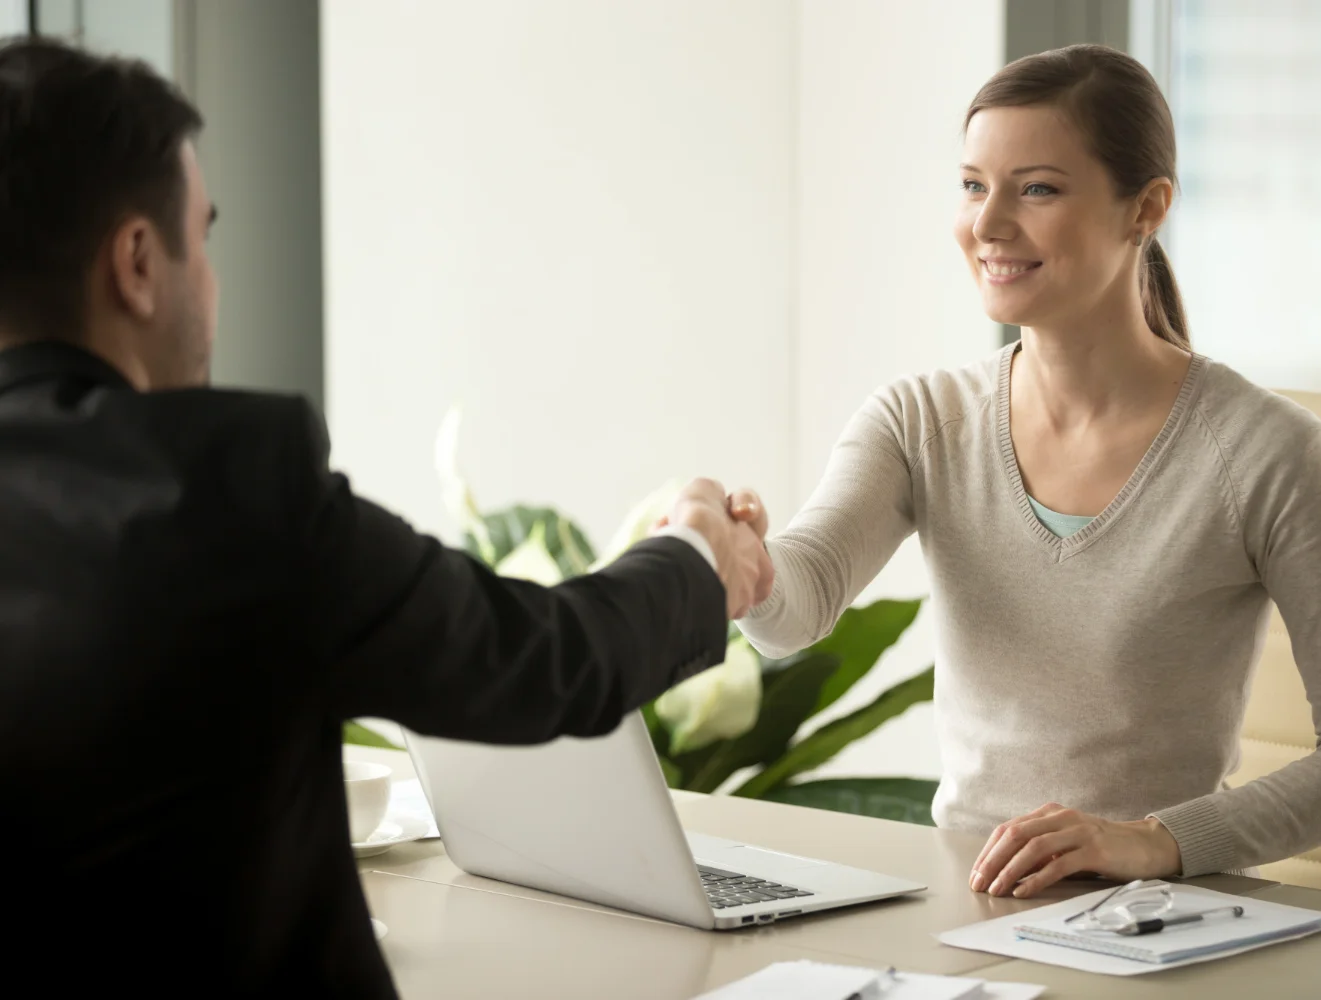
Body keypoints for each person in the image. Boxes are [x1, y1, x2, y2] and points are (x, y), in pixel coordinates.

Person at [0, 38, 770, 994]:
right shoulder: (223, 487)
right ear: (138, 262)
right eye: (203, 238)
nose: (212, 284)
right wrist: (700, 557)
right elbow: (540, 660)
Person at [734, 45, 1321, 899]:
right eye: (971, 185)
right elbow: (793, 613)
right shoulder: (919, 422)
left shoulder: (1267, 454)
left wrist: (1149, 841)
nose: (987, 226)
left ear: (1147, 208)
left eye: (1037, 189)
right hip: (967, 907)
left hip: (1164, 923)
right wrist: (746, 562)